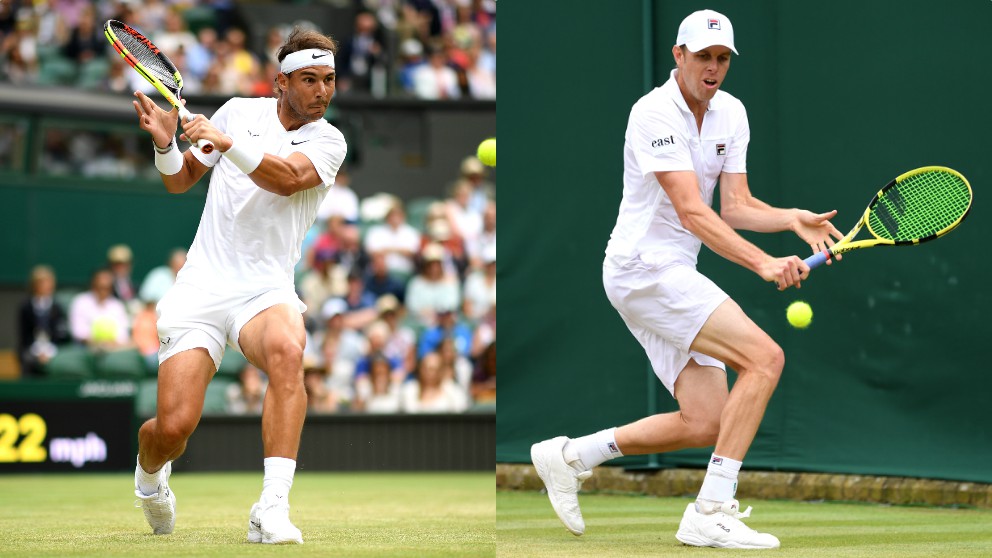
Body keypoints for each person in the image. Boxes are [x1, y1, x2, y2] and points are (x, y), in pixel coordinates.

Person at [529, 10, 843, 550]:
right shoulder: (652, 112)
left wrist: (790, 217)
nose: (714, 68)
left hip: (671, 272)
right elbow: (693, 211)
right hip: (643, 268)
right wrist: (765, 263)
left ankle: (570, 456)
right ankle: (711, 509)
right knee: (765, 359)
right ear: (679, 55)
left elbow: (737, 206)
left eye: (722, 58)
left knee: (707, 421)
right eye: (703, 56)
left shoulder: (733, 114)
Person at [129, 27, 346, 544]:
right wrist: (165, 144)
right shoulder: (234, 112)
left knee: (289, 353)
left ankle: (271, 508)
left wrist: (228, 145)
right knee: (171, 429)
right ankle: (150, 477)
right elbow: (179, 179)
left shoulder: (329, 140)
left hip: (265, 289)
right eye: (310, 79)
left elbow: (288, 178)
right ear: (280, 83)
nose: (322, 91)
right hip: (201, 288)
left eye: (330, 79)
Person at [17, 265, 71, 378]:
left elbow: (61, 334)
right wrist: (38, 352)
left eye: (48, 282)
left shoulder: (58, 307)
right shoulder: (26, 308)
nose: (45, 286)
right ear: (34, 285)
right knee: (27, 359)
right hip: (32, 350)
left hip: (55, 350)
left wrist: (49, 352)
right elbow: (24, 337)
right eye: (41, 282)